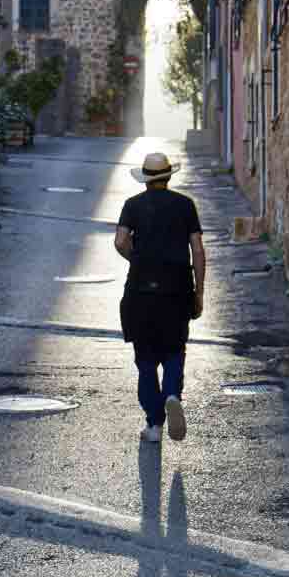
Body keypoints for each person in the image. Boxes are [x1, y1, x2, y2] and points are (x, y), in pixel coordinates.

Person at [115, 151, 206, 444]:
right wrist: (199, 290)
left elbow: (120, 241)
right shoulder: (185, 205)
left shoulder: (132, 206)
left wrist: (136, 259)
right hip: (177, 289)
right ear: (168, 176)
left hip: (140, 291)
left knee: (145, 359)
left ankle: (154, 425)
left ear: (145, 178)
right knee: (174, 351)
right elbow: (198, 250)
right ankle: (171, 394)